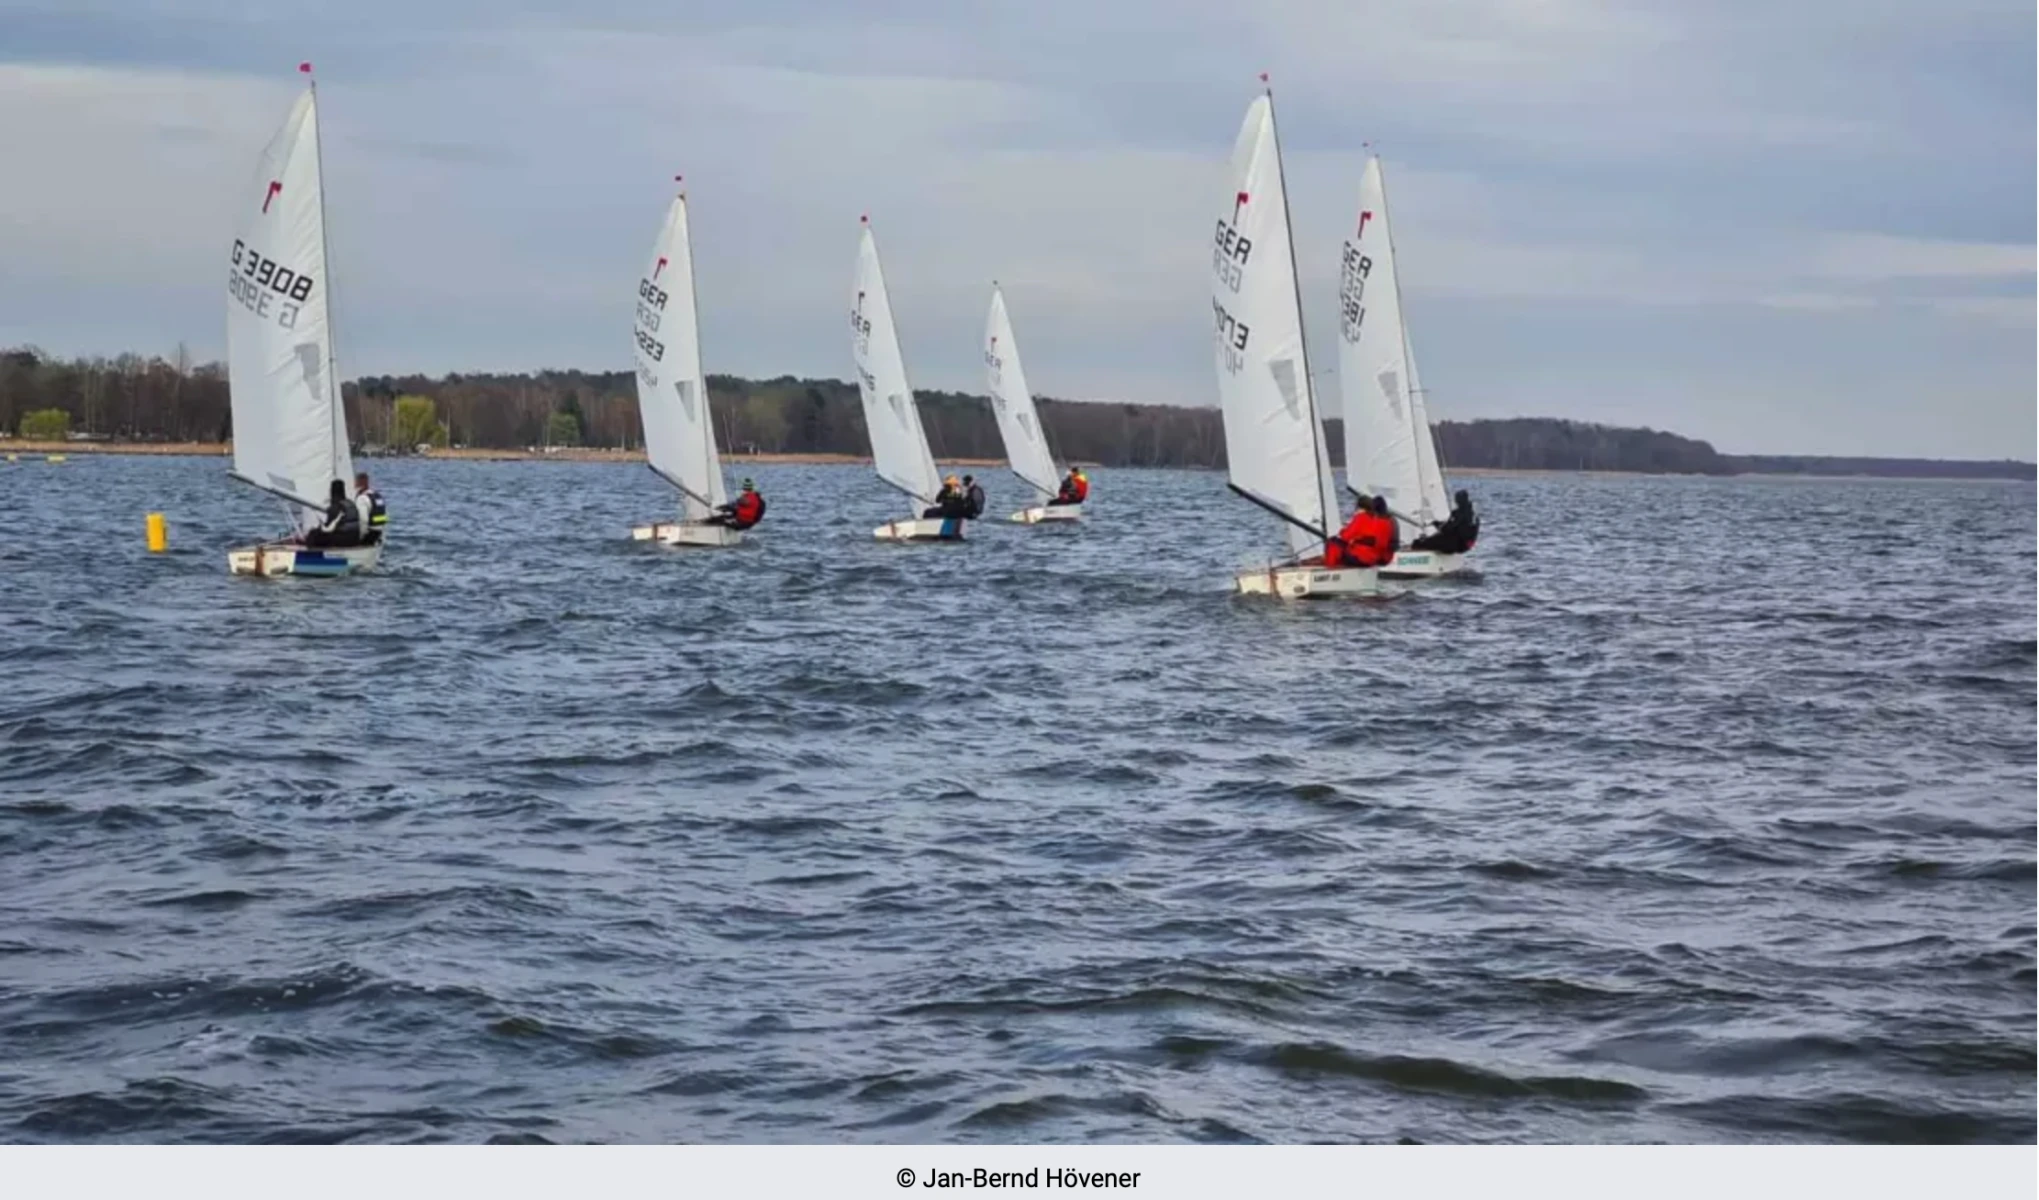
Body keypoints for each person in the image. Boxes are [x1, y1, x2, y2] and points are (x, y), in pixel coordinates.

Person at [1322, 495, 1394, 569]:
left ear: (1361, 508)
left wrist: (1342, 532)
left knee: (1332, 542)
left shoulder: (1361, 517)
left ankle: (1330, 568)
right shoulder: (1385, 522)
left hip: (1360, 558)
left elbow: (1345, 537)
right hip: (1374, 559)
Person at [1411, 489, 1479, 554]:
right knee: (1437, 539)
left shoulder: (1459, 513)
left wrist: (1437, 525)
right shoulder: (1473, 513)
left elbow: (1448, 529)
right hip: (1467, 545)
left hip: (1458, 545)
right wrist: (1440, 525)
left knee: (1419, 543)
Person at [302, 479, 363, 548]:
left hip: (343, 541)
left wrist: (316, 530)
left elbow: (328, 528)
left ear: (332, 492)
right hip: (355, 539)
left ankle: (311, 554)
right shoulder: (351, 504)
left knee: (313, 534)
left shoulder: (335, 507)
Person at [353, 471, 387, 545]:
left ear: (359, 483)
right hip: (379, 534)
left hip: (369, 535)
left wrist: (360, 537)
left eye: (355, 482)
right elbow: (384, 516)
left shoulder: (362, 498)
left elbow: (363, 520)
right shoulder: (378, 496)